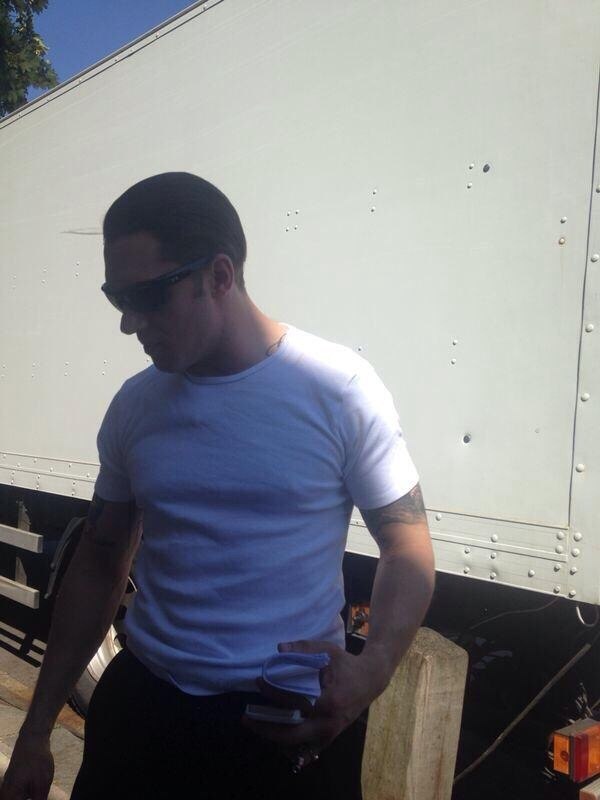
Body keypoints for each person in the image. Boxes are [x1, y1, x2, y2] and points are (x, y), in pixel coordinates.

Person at [1, 172, 435, 800]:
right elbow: (99, 559)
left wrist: (373, 672)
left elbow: (407, 544)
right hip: (144, 711)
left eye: (148, 296)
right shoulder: (135, 406)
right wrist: (36, 730)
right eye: (116, 298)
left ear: (220, 275)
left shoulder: (338, 388)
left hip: (280, 724)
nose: (129, 323)